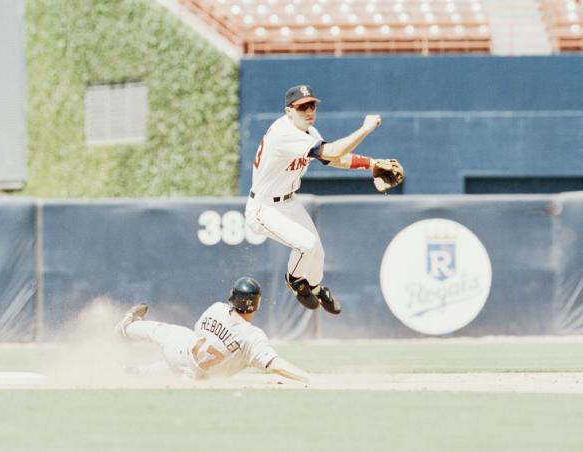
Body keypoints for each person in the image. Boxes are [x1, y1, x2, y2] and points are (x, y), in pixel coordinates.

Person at [245, 84, 397, 315]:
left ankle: (314, 288)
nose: (309, 111)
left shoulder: (309, 132)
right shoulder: (282, 133)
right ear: (289, 111)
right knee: (307, 245)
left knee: (318, 252)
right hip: (263, 207)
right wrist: (365, 129)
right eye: (302, 107)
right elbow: (333, 152)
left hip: (287, 201)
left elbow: (335, 160)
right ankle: (295, 280)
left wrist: (372, 163)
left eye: (312, 106)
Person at [115, 276, 310, 383]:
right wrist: (306, 377)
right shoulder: (253, 337)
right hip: (195, 377)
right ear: (257, 304)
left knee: (160, 331)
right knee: (169, 370)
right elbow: (275, 364)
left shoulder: (217, 308)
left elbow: (199, 331)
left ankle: (127, 328)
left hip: (182, 351)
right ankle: (131, 372)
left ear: (233, 298)